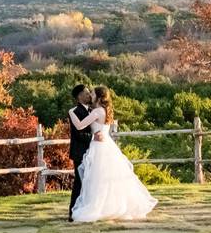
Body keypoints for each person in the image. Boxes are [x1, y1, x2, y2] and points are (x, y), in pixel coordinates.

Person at [68, 85, 158, 222]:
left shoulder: (96, 112)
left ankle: (97, 208)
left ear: (98, 97)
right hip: (107, 146)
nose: (90, 95)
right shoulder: (104, 110)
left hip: (98, 147)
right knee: (105, 180)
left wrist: (71, 113)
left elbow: (80, 126)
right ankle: (109, 207)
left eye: (91, 93)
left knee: (96, 180)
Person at [67, 84, 94, 221]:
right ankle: (73, 212)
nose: (89, 95)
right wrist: (94, 138)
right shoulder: (76, 111)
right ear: (79, 96)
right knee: (79, 182)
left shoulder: (92, 110)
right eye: (86, 93)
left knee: (90, 182)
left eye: (89, 92)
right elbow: (79, 134)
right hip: (80, 151)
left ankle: (86, 210)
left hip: (92, 152)